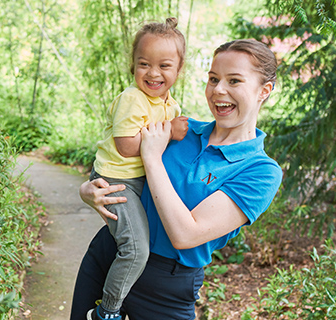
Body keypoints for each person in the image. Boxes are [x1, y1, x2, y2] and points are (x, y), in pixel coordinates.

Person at [71, 38, 283, 320]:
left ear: (263, 91)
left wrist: (153, 157)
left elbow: (186, 234)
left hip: (166, 289)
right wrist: (89, 190)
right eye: (213, 79)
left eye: (234, 81)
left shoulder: (260, 170)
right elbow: (119, 161)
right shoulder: (178, 129)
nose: (219, 90)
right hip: (110, 257)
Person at [86, 17, 189, 320]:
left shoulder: (170, 104)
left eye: (165, 65)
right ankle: (107, 310)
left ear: (178, 71)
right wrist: (168, 130)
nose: (153, 73)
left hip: (138, 179)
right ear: (132, 66)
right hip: (117, 181)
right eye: (144, 64)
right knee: (135, 250)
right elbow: (127, 147)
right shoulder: (133, 99)